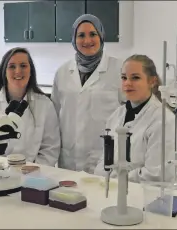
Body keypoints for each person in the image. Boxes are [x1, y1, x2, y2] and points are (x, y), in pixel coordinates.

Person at [94, 54, 177, 189]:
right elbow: (105, 160)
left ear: (152, 81)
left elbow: (156, 175)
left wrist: (114, 177)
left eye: (135, 78)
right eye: (124, 78)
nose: (127, 83)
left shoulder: (164, 121)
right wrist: (103, 175)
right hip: (118, 193)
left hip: (156, 200)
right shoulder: (116, 116)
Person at [51, 14, 124, 173]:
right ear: (73, 39)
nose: (87, 40)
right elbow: (54, 116)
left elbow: (129, 114)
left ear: (101, 36)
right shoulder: (62, 72)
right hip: (69, 157)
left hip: (105, 154)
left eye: (93, 34)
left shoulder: (119, 69)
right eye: (81, 35)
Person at [0, 47, 61, 166]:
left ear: (31, 71)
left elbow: (50, 148)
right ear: (4, 72)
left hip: (33, 174)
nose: (18, 71)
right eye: (12, 66)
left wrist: (34, 171)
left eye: (23, 66)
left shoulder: (44, 105)